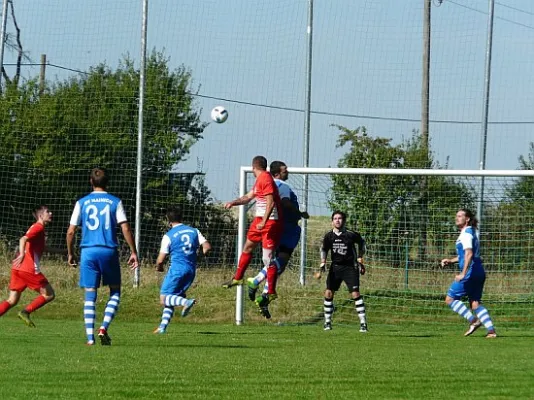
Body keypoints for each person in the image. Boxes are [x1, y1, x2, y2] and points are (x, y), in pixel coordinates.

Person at [66, 167, 139, 346]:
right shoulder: (115, 202)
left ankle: (90, 339)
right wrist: (133, 251)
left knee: (90, 294)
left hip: (88, 252)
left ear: (91, 181)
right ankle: (104, 327)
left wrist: (70, 253)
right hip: (108, 251)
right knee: (115, 291)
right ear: (108, 182)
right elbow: (126, 228)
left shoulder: (82, 202)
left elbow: (70, 231)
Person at [246, 161, 309, 318]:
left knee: (275, 262)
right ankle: (258, 283)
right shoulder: (282, 186)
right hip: (287, 226)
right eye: (285, 170)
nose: (287, 172)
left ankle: (264, 292)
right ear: (278, 173)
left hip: (272, 226)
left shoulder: (264, 183)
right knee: (282, 259)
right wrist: (300, 213)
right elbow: (286, 204)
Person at [222, 155, 283, 310]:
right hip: (259, 221)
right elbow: (248, 197)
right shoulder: (260, 180)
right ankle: (237, 278)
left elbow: (271, 201)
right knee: (247, 247)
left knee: (267, 259)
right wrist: (234, 202)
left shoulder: (266, 179)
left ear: (253, 167)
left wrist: (264, 220)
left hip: (270, 222)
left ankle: (271, 292)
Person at [153, 206, 211, 334]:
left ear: (168, 220)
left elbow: (160, 260)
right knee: (172, 297)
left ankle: (186, 302)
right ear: (182, 218)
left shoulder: (169, 236)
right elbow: (207, 247)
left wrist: (159, 268)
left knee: (164, 298)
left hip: (177, 270)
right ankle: (162, 328)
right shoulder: (194, 231)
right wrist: (200, 255)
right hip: (190, 270)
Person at [441, 208, 496, 338]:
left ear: (467, 219)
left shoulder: (466, 234)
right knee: (475, 303)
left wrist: (463, 273)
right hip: (479, 270)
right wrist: (451, 260)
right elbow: (465, 255)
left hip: (470, 272)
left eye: (460, 216)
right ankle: (491, 331)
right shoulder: (472, 232)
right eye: (456, 215)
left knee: (450, 299)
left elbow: (469, 254)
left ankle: (473, 321)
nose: (457, 218)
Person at [0, 205, 55, 327]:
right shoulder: (38, 227)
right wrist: (22, 255)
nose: (51, 213)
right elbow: (23, 239)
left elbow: (41, 247)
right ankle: (25, 312)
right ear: (41, 215)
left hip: (17, 268)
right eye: (48, 211)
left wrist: (63, 252)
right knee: (49, 294)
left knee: (12, 300)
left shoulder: (37, 228)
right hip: (28, 268)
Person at [316, 211, 368, 332]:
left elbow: (362, 243)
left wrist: (360, 258)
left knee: (355, 294)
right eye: (335, 218)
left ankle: (363, 324)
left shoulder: (350, 234)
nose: (337, 220)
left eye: (340, 218)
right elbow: (324, 249)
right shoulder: (329, 236)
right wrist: (323, 262)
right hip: (335, 267)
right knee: (328, 293)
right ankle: (327, 323)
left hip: (350, 267)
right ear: (332, 221)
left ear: (343, 220)